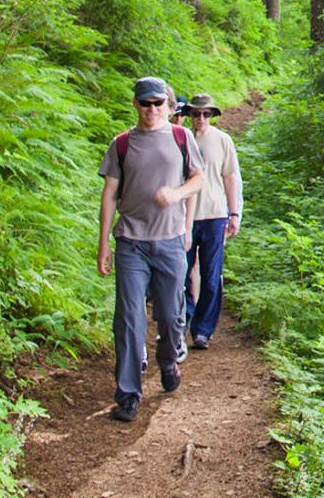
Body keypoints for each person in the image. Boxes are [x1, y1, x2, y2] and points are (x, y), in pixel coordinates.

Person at [98, 77, 205, 423]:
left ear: (167, 105)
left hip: (170, 241)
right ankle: (128, 394)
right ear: (136, 104)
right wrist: (103, 243)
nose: (152, 109)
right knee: (129, 317)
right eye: (145, 103)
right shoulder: (121, 144)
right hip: (131, 243)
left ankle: (168, 359)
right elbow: (109, 195)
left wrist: (175, 195)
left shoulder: (181, 137)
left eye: (158, 103)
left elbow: (198, 178)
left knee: (171, 315)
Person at [179, 93, 242, 349]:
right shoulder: (181, 138)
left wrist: (234, 213)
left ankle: (203, 330)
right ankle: (182, 322)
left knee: (211, 275)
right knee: (181, 274)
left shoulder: (223, 140)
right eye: (196, 114)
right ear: (190, 115)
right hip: (184, 217)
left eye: (206, 114)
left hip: (215, 215)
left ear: (212, 115)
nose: (201, 118)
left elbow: (230, 177)